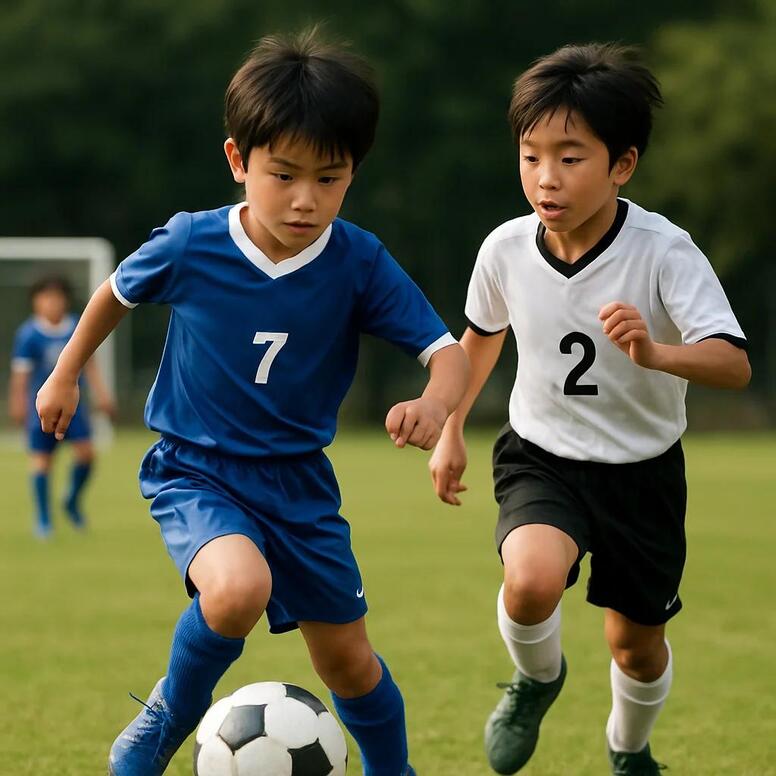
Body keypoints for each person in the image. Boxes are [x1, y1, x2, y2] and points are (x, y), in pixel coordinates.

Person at [36, 28, 468, 776]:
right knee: (238, 589)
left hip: (299, 484)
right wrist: (66, 371)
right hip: (195, 469)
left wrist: (436, 403)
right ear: (239, 160)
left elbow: (449, 354)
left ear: (353, 173)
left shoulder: (358, 260)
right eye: (284, 175)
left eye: (329, 179)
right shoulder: (190, 244)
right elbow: (116, 293)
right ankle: (164, 719)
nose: (306, 200)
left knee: (350, 664)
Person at [429, 43, 750, 775]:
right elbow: (479, 343)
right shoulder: (505, 248)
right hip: (542, 454)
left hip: (643, 472)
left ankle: (628, 751)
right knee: (531, 579)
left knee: (634, 646)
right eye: (531, 155)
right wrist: (450, 432)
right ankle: (537, 681)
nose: (546, 177)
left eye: (570, 158)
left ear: (623, 164)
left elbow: (734, 362)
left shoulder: (665, 252)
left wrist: (659, 354)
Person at [8, 275, 115, 537]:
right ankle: (43, 520)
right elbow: (20, 376)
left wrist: (102, 394)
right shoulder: (28, 334)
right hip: (41, 407)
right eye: (45, 297)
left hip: (73, 406)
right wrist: (18, 404)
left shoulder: (76, 327)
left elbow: (89, 364)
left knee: (87, 454)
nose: (51, 303)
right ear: (35, 302)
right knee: (42, 462)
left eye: (57, 297)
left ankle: (71, 500)